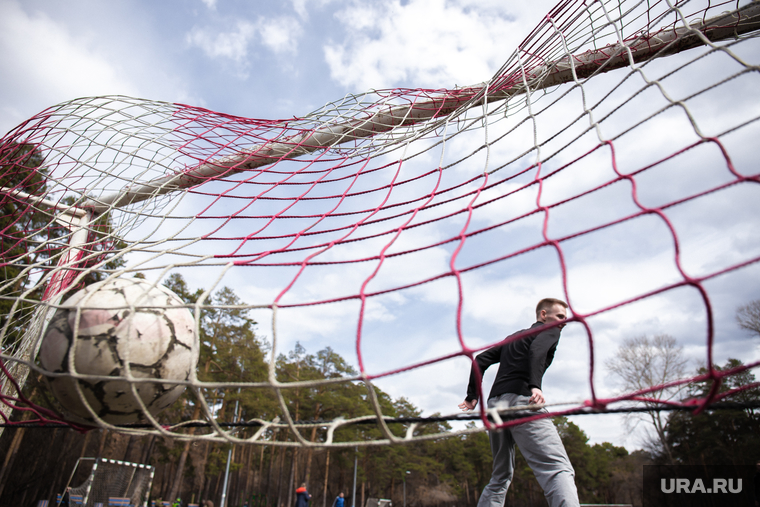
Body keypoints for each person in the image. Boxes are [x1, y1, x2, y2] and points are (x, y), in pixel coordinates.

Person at [459, 298, 580, 507]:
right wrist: (535, 385)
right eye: (560, 316)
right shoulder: (550, 330)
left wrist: (472, 396)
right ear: (544, 315)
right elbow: (537, 352)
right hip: (521, 400)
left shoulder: (514, 337)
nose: (564, 321)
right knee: (557, 468)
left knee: (501, 475)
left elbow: (480, 360)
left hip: (495, 406)